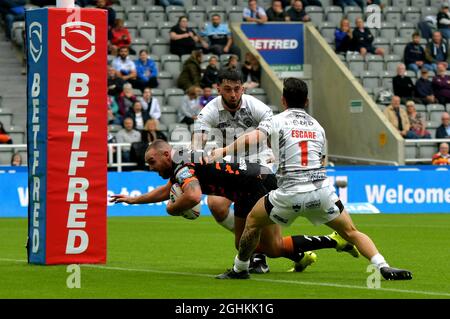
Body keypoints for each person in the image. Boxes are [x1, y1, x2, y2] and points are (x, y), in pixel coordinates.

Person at [212, 77, 412, 281]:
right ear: (306, 101)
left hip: (289, 193)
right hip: (321, 192)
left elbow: (252, 139)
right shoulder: (318, 127)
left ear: (283, 100)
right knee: (351, 232)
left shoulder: (276, 120)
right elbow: (322, 161)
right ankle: (383, 266)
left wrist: (224, 150)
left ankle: (240, 268)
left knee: (252, 222)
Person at [110, 140, 360, 274]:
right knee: (248, 245)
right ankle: (312, 249)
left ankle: (332, 240)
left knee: (268, 247)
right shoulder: (180, 162)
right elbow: (169, 189)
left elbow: (194, 197)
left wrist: (172, 209)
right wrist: (134, 199)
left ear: (166, 154)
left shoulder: (182, 165)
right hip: (245, 189)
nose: (150, 167)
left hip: (259, 184)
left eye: (152, 161)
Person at [192, 69, 274, 248]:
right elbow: (198, 141)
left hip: (258, 160)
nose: (233, 94)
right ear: (218, 88)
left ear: (243, 89)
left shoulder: (258, 107)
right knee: (216, 205)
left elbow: (260, 136)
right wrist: (195, 160)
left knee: (256, 210)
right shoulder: (209, 111)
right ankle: (250, 242)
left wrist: (222, 151)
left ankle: (258, 252)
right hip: (231, 161)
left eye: (237, 89)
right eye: (227, 89)